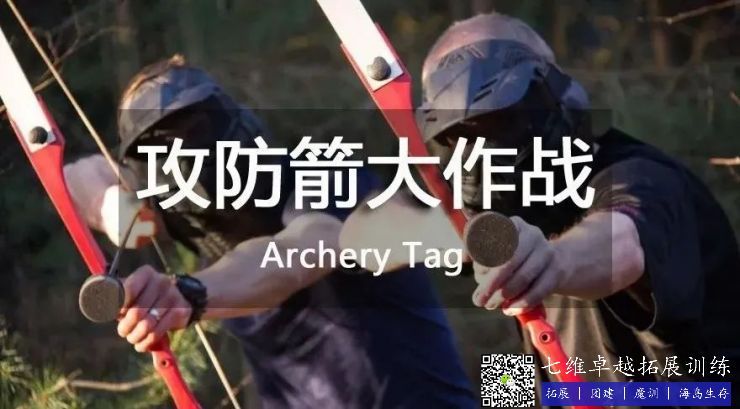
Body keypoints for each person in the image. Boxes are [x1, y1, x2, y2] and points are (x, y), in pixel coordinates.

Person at [63, 55, 475, 409]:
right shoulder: (196, 230)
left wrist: (190, 294)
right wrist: (110, 206)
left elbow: (302, 251)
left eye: (200, 132)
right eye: (166, 152)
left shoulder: (320, 176)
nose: (195, 163)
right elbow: (73, 175)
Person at [417, 12, 740, 405]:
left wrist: (551, 263)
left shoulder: (643, 180)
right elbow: (365, 231)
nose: (486, 152)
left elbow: (621, 243)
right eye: (461, 137)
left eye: (502, 122)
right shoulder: (509, 221)